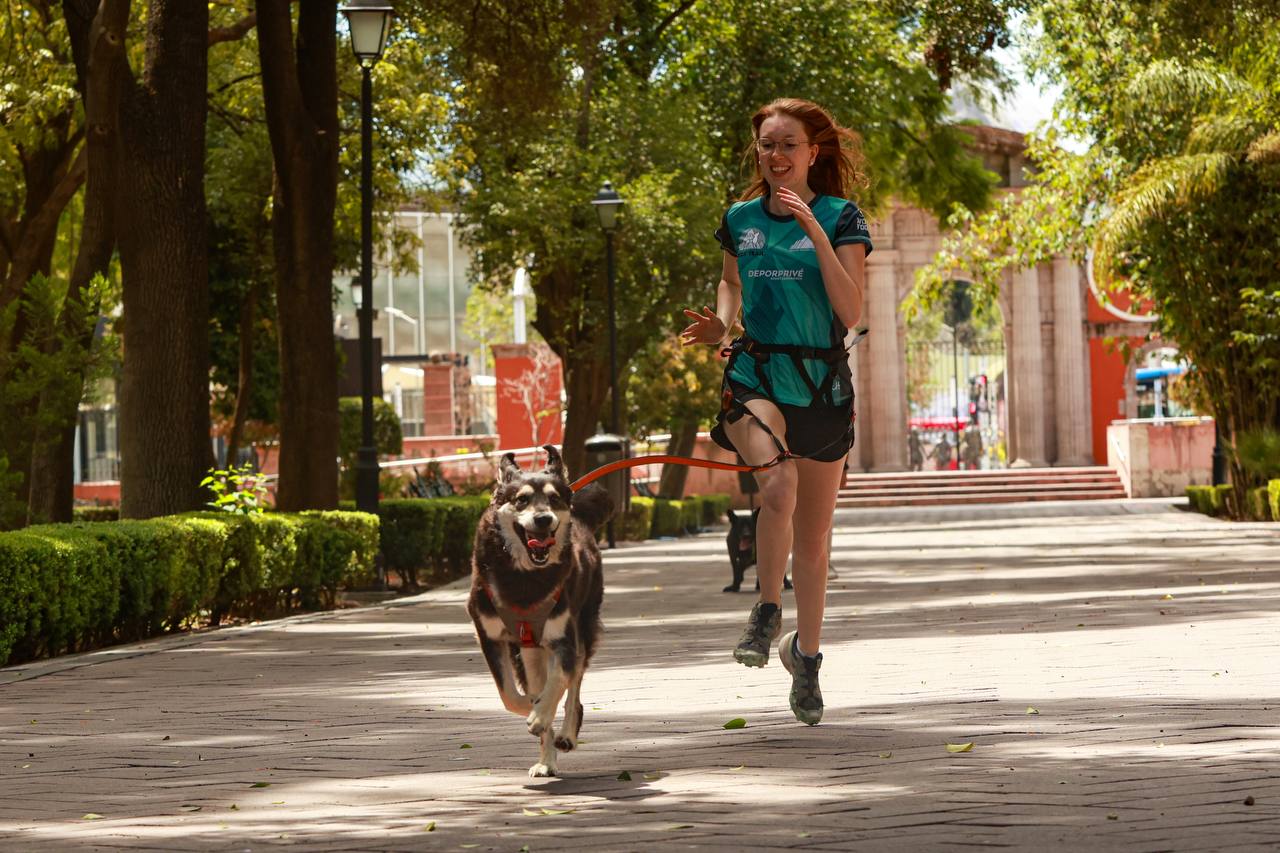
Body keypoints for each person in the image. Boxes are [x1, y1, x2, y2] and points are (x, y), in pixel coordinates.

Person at [680, 98, 871, 725]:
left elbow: (851, 312)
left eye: (789, 144)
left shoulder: (842, 218)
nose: (777, 155)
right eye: (767, 145)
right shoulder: (740, 219)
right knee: (777, 485)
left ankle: (805, 657)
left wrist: (813, 230)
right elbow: (731, 282)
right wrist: (722, 325)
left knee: (813, 543)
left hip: (821, 386)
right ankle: (766, 610)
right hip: (757, 372)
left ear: (813, 152)